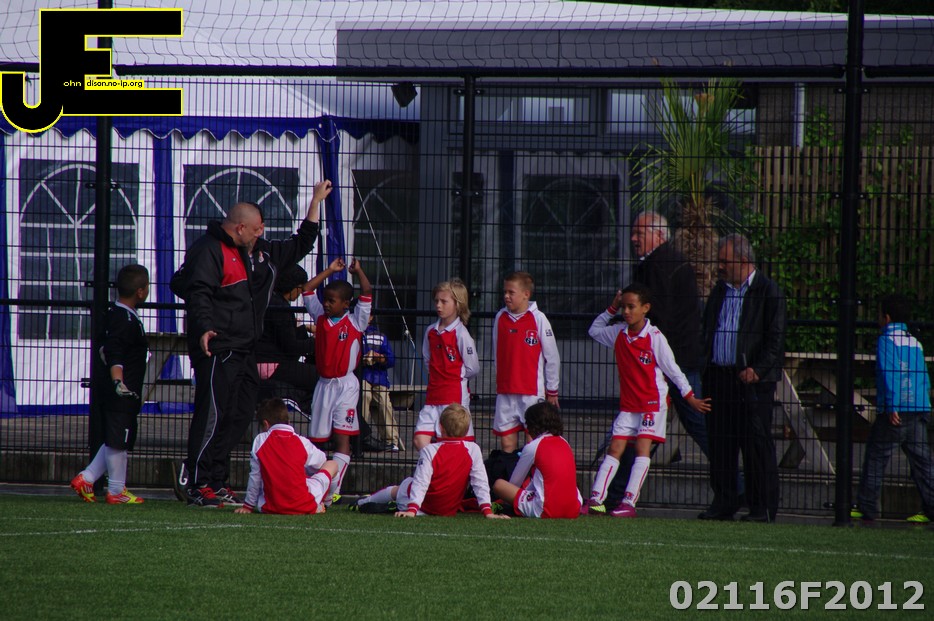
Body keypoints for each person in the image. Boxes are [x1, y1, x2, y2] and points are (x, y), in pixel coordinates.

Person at [170, 180, 333, 508]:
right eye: (257, 228)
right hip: (218, 346)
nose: (262, 233)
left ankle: (217, 480)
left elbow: (301, 243)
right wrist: (205, 326)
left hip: (246, 348)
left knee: (240, 413)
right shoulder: (209, 250)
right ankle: (197, 481)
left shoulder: (261, 252)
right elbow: (195, 290)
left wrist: (315, 203)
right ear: (240, 228)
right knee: (213, 412)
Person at [584, 284, 711, 517]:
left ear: (646, 308)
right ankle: (596, 500)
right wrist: (611, 307)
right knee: (615, 448)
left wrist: (690, 397)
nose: (626, 312)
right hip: (629, 405)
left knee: (642, 448)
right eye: (623, 307)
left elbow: (673, 370)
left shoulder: (654, 337)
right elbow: (594, 330)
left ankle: (629, 503)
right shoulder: (619, 333)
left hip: (652, 404)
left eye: (631, 307)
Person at [699, 233, 786, 523]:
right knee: (721, 443)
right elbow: (708, 327)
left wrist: (757, 369)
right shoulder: (720, 290)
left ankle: (762, 506)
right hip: (718, 376)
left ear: (744, 260)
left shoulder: (768, 291)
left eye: (725, 261)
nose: (720, 266)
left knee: (755, 444)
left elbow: (775, 338)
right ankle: (724, 501)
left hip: (751, 381)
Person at [70, 264, 150, 504]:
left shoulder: (118, 314)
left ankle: (87, 477)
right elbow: (114, 352)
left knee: (117, 438)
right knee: (118, 441)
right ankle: (116, 490)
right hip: (121, 391)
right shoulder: (124, 319)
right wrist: (118, 381)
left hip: (121, 390)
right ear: (141, 291)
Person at [853, 294, 934, 523]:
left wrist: (891, 405)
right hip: (918, 407)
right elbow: (923, 377)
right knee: (922, 462)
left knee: (876, 457)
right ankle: (932, 507)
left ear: (886, 317)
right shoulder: (914, 341)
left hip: (897, 410)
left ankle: (867, 507)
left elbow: (890, 374)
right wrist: (924, 405)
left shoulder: (886, 339)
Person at [353, 403, 508, 519]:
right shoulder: (473, 449)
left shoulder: (430, 450)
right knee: (408, 486)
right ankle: (392, 505)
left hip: (423, 506)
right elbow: (480, 481)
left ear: (440, 427)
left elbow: (421, 481)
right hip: (448, 509)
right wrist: (487, 511)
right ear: (467, 430)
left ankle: (362, 503)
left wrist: (412, 510)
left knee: (402, 486)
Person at [301, 258, 372, 504]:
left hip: (346, 386)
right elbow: (307, 289)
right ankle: (314, 486)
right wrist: (329, 270)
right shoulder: (320, 317)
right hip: (324, 385)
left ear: (346, 304)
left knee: (343, 437)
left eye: (332, 301)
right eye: (326, 300)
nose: (326, 304)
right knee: (317, 441)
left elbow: (367, 292)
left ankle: (332, 491)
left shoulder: (355, 321)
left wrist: (359, 271)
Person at [233, 398, 341, 515]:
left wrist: (248, 506)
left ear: (266, 424)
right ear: (288, 421)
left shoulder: (260, 440)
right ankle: (326, 502)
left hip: (269, 507)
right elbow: (322, 462)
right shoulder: (302, 442)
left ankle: (320, 502)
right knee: (332, 464)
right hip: (304, 505)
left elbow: (255, 477)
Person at [492, 271, 560, 453]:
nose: (506, 296)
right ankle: (511, 471)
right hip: (506, 391)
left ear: (526, 294)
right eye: (505, 292)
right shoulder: (500, 317)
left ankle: (531, 473)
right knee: (507, 445)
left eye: (511, 292)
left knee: (532, 442)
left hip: (531, 393)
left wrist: (552, 389)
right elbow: (497, 352)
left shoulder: (539, 318)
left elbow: (552, 357)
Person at [414, 278, 480, 450]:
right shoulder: (431, 331)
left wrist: (455, 377)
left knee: (455, 443)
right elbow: (428, 359)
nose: (438, 305)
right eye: (436, 301)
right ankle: (435, 465)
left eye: (444, 301)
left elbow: (473, 368)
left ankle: (449, 466)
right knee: (420, 440)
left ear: (458, 304)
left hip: (454, 397)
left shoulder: (461, 334)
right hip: (433, 395)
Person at [491, 401, 582, 519]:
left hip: (545, 510)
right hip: (574, 509)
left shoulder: (533, 446)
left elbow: (515, 482)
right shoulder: (565, 443)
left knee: (499, 485)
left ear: (533, 425)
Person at [255, 263, 318, 415]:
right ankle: (306, 408)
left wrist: (303, 329)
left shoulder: (270, 300)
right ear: (294, 287)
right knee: (320, 376)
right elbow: (291, 347)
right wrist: (317, 341)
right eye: (300, 289)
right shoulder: (281, 308)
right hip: (272, 364)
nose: (300, 293)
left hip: (263, 361)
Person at [360, 314, 402, 452]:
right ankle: (361, 436)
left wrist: (379, 357)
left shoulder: (380, 336)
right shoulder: (355, 333)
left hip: (379, 376)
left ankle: (391, 440)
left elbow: (391, 359)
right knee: (364, 396)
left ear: (371, 317)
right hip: (361, 375)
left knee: (384, 402)